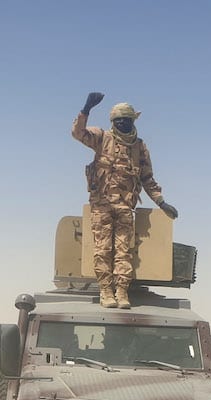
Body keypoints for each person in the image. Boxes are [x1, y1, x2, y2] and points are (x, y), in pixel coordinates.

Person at [72, 92, 178, 310]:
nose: (122, 123)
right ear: (112, 122)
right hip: (101, 206)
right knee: (103, 250)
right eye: (118, 120)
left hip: (125, 207)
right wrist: (86, 109)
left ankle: (121, 292)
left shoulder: (139, 147)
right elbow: (78, 132)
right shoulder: (102, 138)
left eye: (126, 119)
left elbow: (147, 178)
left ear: (133, 121)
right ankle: (106, 291)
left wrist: (161, 202)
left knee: (123, 251)